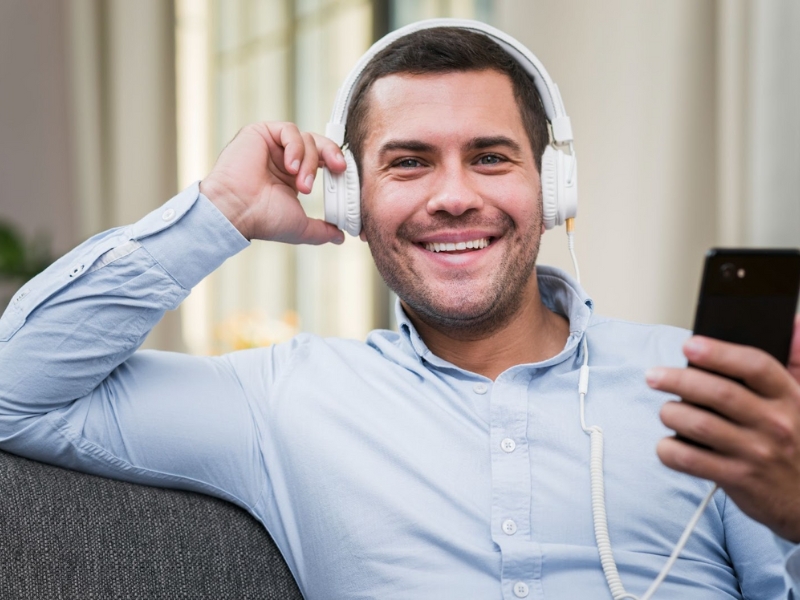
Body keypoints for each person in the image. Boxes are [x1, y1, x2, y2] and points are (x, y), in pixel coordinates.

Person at [1, 20, 799, 600]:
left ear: (555, 190)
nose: (455, 197)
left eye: (490, 157)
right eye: (409, 163)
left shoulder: (701, 382)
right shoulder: (284, 398)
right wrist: (222, 209)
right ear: (351, 200)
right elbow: (13, 392)